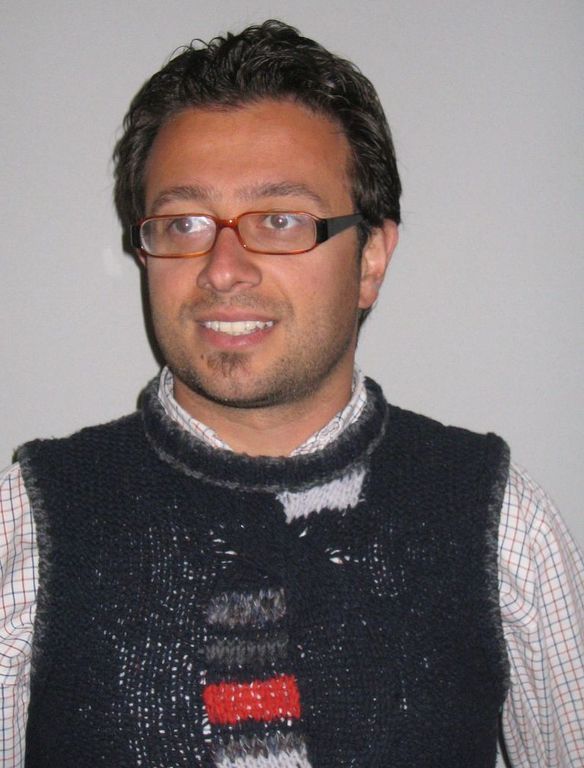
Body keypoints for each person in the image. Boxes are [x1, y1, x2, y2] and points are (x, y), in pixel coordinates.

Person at [1, 20, 582, 768]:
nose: (222, 268)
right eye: (184, 223)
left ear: (369, 259)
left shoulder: (502, 523)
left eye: (280, 220)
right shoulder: (31, 523)